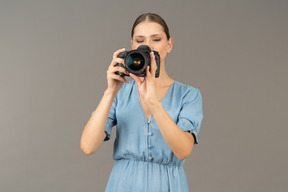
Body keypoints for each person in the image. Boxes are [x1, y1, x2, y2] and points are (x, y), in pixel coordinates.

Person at [80, 13, 204, 192]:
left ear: (169, 45)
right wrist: (110, 92)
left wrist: (153, 102)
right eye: (140, 40)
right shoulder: (121, 93)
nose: (148, 47)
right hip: (122, 184)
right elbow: (88, 146)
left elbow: (183, 150)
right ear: (132, 46)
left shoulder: (189, 95)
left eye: (156, 39)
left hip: (168, 185)